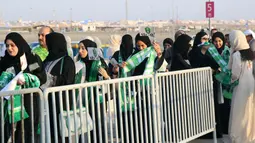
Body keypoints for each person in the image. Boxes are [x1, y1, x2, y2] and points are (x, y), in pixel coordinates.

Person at [0, 32, 46, 143]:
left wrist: (26, 78)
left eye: (12, 45)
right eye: (7, 46)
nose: (9, 48)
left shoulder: (31, 59)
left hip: (29, 102)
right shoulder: (4, 61)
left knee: (27, 133)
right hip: (10, 105)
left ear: (19, 45)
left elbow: (41, 77)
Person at [75, 39, 110, 143]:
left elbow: (107, 81)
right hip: (82, 100)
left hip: (97, 101)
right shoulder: (78, 63)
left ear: (90, 50)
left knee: (98, 126)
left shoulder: (100, 63)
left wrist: (106, 76)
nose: (80, 51)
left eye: (83, 48)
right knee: (83, 126)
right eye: (79, 48)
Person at [43, 32, 75, 142]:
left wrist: (51, 79)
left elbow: (68, 80)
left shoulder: (67, 60)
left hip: (60, 102)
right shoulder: (47, 60)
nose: (47, 46)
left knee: (60, 133)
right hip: (47, 103)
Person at [228, 30, 255, 143]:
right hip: (251, 83)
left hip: (241, 85)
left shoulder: (236, 54)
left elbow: (235, 73)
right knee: (249, 110)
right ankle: (249, 135)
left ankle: (238, 135)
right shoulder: (250, 53)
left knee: (239, 111)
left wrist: (230, 80)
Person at [212, 32, 231, 134]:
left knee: (226, 106)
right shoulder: (212, 52)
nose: (217, 43)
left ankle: (226, 128)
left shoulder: (227, 52)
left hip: (225, 83)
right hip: (216, 82)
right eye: (215, 41)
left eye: (220, 41)